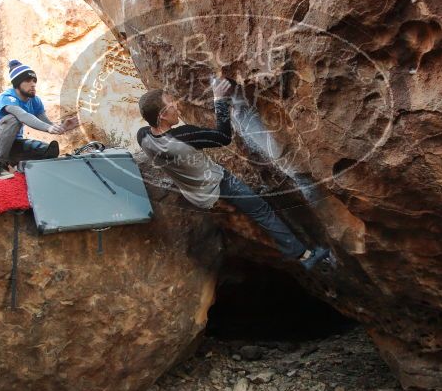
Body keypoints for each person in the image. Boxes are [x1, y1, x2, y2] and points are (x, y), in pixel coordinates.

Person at [137, 79, 331, 270]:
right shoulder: (184, 136)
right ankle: (304, 255)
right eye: (172, 105)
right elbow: (223, 137)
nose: (177, 107)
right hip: (219, 184)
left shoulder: (143, 136)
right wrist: (219, 100)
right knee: (262, 211)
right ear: (162, 115)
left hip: (194, 193)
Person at [0, 60, 78, 179]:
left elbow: (47, 124)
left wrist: (62, 127)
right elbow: (23, 116)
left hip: (12, 144)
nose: (33, 84)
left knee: (45, 150)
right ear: (17, 84)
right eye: (28, 80)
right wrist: (49, 128)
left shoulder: (35, 101)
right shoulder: (7, 97)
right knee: (13, 118)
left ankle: (21, 167)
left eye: (34, 81)